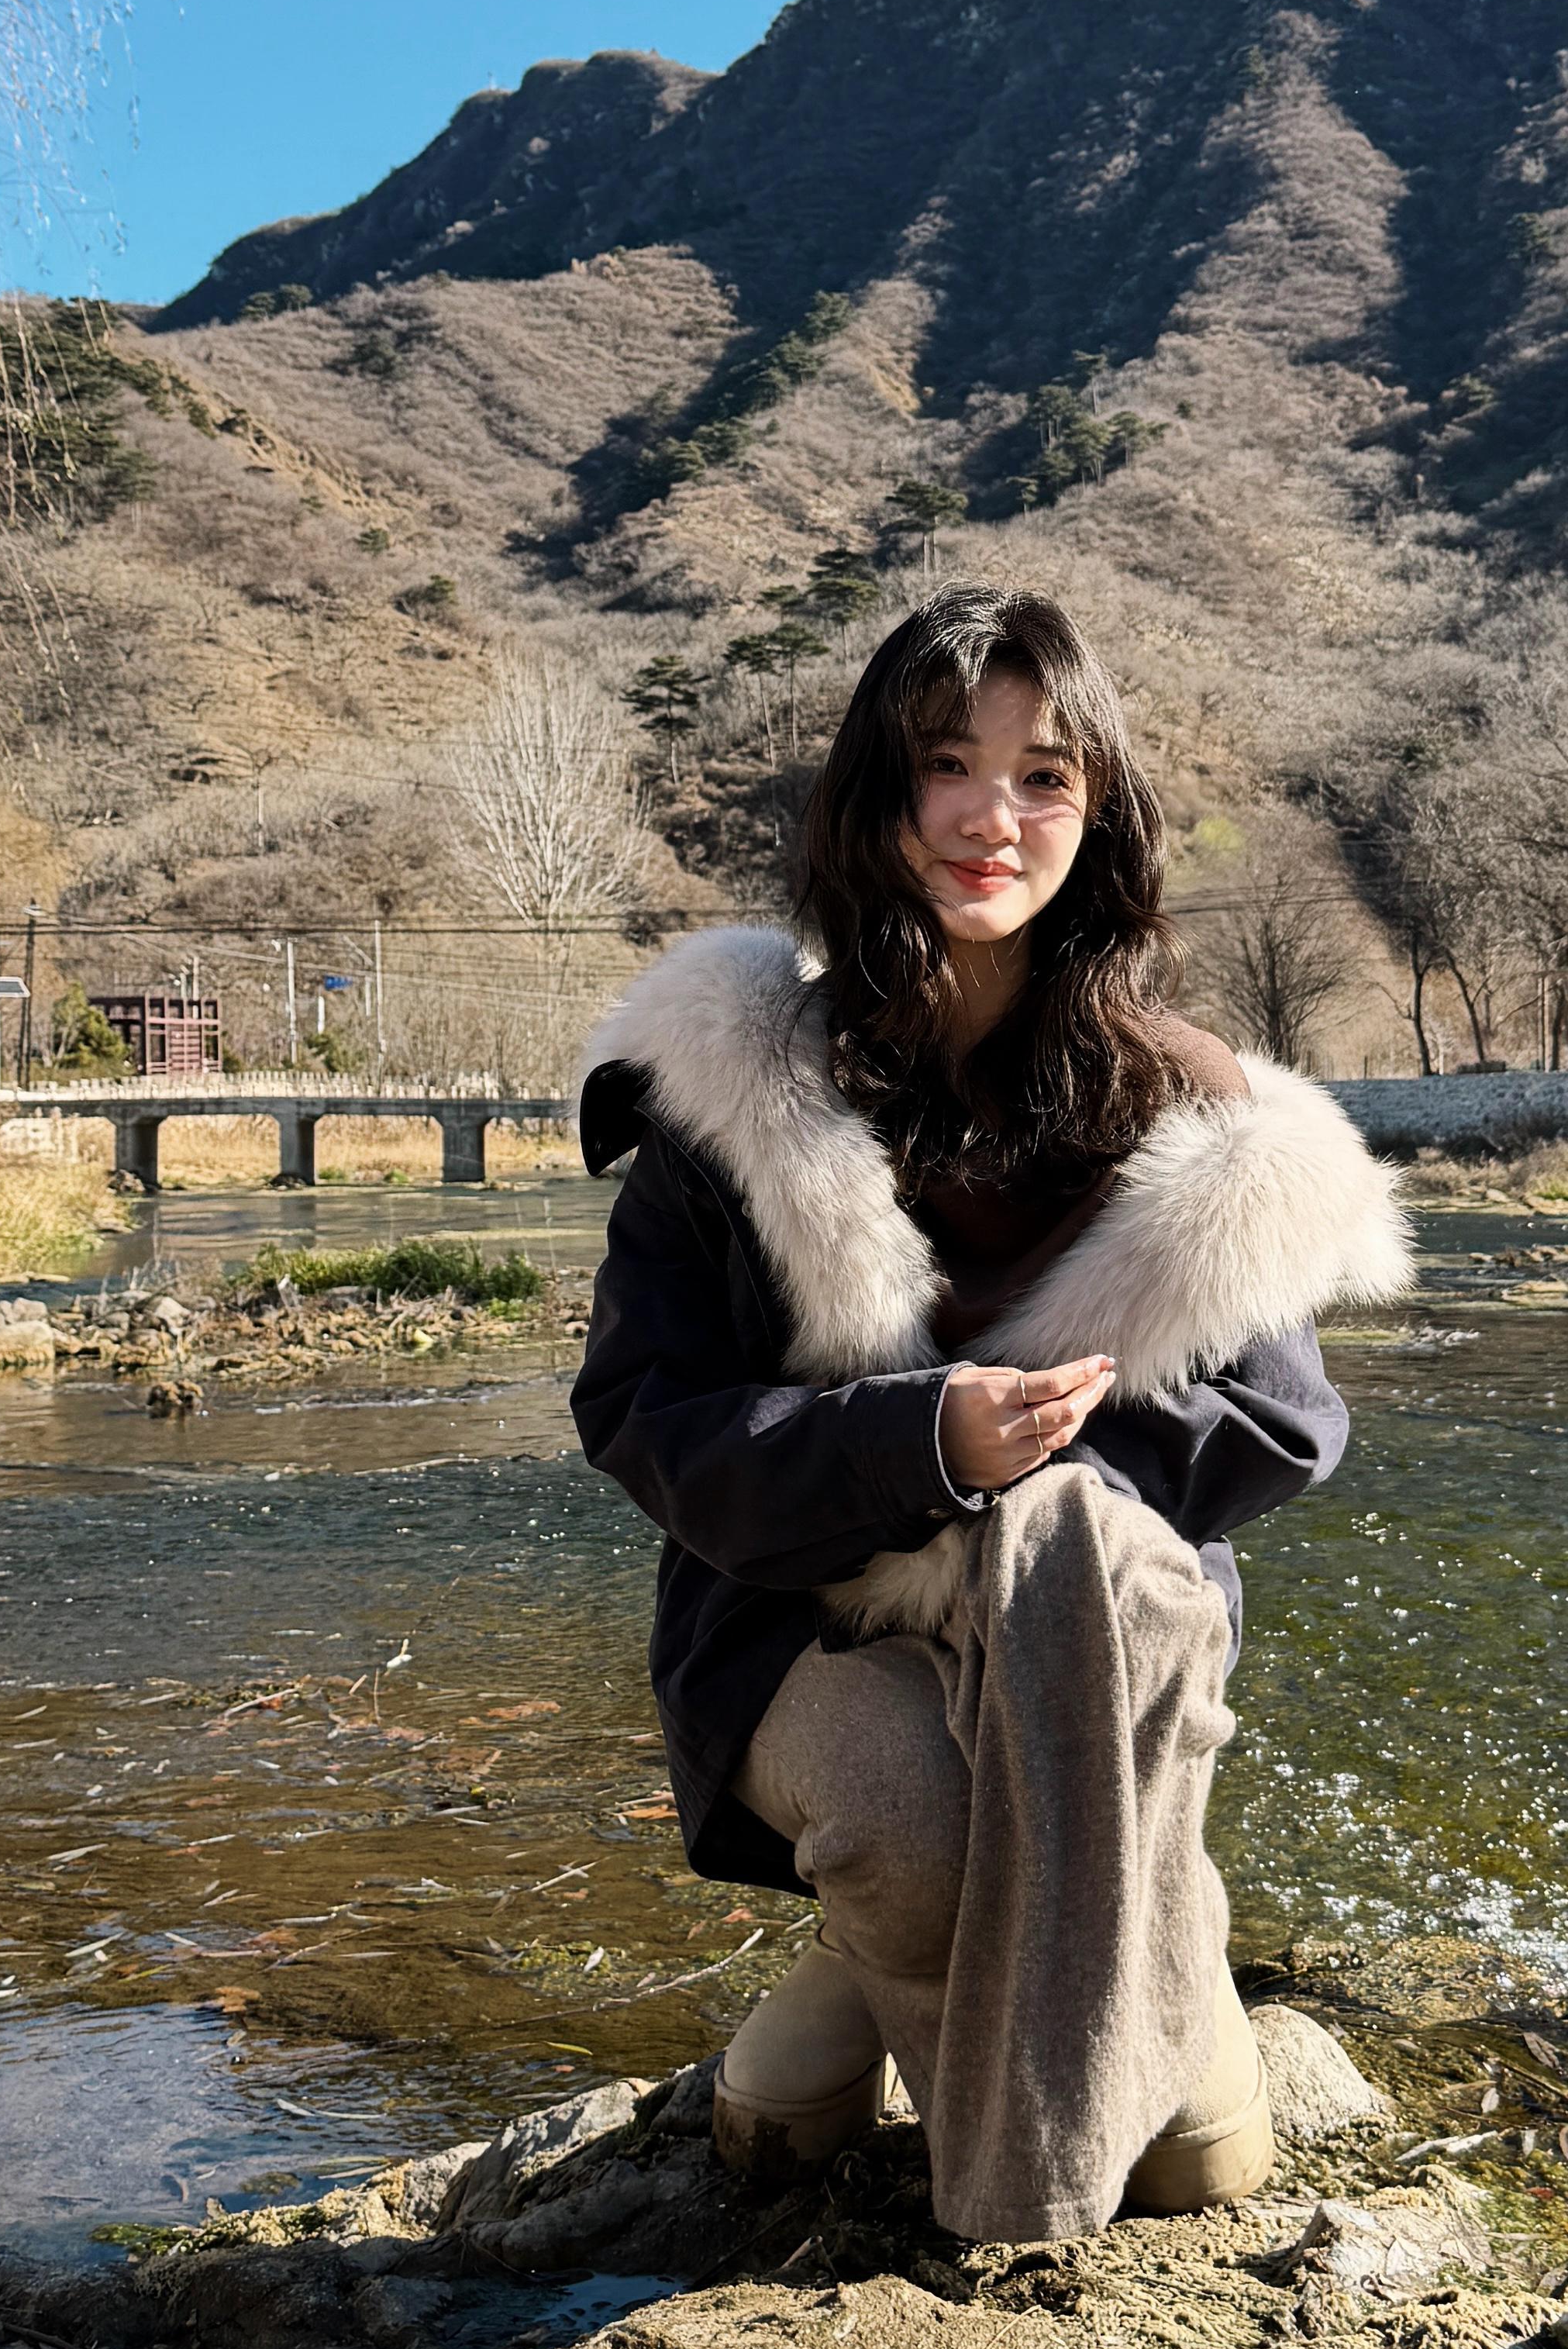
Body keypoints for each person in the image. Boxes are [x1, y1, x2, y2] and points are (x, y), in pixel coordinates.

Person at [571, 587, 1410, 2244]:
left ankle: (1104, 1915)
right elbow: (645, 1414)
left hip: (1097, 1640)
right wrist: (919, 1448)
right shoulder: (740, 1083)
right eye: (946, 766)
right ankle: (948, 2020)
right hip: (804, 1620)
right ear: (876, 799)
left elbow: (1289, 1423)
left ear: (1098, 814)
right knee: (913, 1829)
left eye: (1043, 777)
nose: (990, 818)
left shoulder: (1190, 1102)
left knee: (1202, 2173)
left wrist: (1036, 1480)